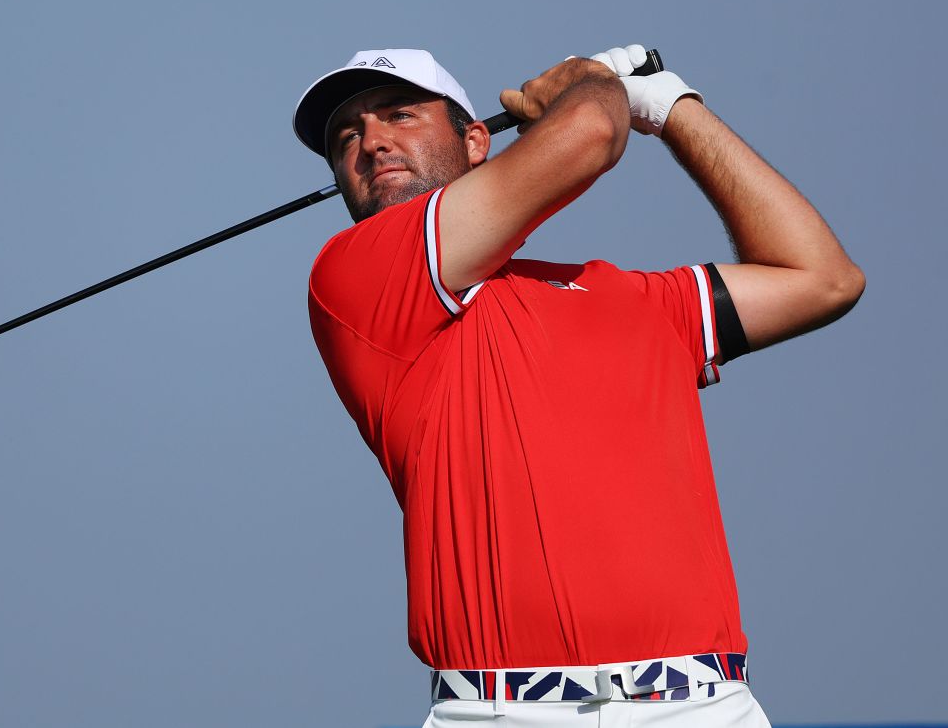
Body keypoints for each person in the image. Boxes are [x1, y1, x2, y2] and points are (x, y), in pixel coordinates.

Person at [292, 45, 864, 727]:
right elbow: (590, 134)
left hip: (702, 704)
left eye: (399, 115)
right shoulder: (356, 278)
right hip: (503, 710)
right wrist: (591, 83)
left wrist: (672, 107)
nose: (372, 141)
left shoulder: (633, 296)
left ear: (476, 140)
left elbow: (823, 278)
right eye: (346, 137)